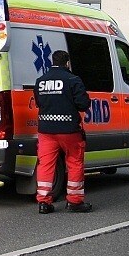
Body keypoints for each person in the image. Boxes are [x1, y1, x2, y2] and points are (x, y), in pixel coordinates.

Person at [34, 49, 91, 214]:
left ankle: (44, 203)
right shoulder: (73, 79)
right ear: (67, 63)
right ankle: (74, 201)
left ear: (52, 61)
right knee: (74, 163)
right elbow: (83, 104)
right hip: (69, 131)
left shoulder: (41, 81)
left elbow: (39, 102)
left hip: (46, 130)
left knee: (45, 165)